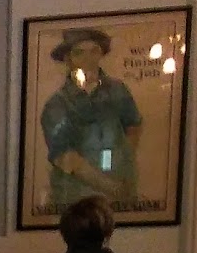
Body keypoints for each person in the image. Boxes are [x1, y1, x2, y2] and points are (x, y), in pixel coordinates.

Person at [39, 28, 142, 208]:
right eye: (79, 53)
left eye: (94, 51)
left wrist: (124, 164)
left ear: (101, 54)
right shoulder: (57, 104)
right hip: (76, 198)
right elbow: (65, 157)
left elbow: (133, 126)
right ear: (67, 59)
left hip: (121, 195)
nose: (88, 59)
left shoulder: (118, 90)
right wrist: (110, 186)